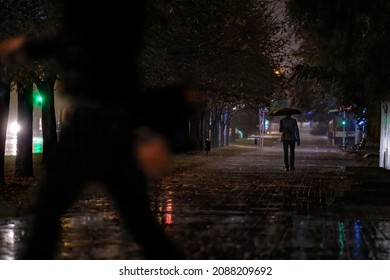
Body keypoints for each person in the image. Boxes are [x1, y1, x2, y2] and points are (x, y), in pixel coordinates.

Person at [1, 0, 192, 259]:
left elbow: (81, 43)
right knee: (140, 224)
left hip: (94, 126)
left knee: (48, 214)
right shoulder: (116, 22)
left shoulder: (102, 26)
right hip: (112, 127)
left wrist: (27, 48)